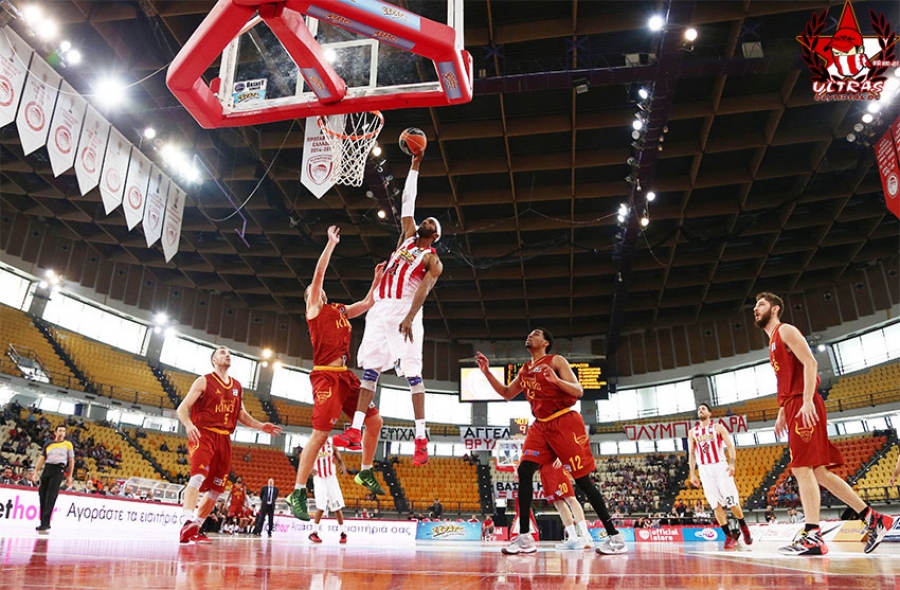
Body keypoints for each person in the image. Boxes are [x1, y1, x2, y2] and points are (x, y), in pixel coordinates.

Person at [754, 292, 894, 555]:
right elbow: (788, 379)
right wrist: (783, 410)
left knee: (801, 468)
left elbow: (811, 362)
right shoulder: (773, 340)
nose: (755, 309)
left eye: (760, 304)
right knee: (819, 472)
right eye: (754, 305)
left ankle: (813, 534)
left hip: (804, 404)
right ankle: (875, 519)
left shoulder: (786, 330)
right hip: (794, 404)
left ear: (775, 309)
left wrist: (806, 401)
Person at [475, 328, 626, 555]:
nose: (529, 335)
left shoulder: (556, 360)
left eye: (535, 334)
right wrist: (487, 373)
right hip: (540, 426)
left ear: (545, 342)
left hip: (563, 421)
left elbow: (579, 390)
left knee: (583, 481)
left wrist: (555, 380)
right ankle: (525, 537)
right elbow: (507, 393)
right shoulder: (525, 369)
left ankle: (615, 538)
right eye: (529, 333)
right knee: (525, 471)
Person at [336, 149, 444, 466]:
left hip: (403, 312)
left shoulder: (431, 259)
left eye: (429, 223)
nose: (423, 221)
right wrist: (415, 165)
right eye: (424, 219)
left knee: (412, 374)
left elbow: (424, 288)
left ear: (435, 235)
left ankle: (421, 439)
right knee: (370, 369)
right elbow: (408, 201)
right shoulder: (407, 237)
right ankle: (355, 430)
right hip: (381, 308)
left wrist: (410, 317)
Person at [285, 225, 386, 521]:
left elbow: (367, 304)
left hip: (346, 377)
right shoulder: (314, 310)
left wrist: (376, 281)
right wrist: (330, 244)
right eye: (311, 293)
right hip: (326, 376)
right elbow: (318, 276)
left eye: (315, 293)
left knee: (375, 420)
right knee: (320, 433)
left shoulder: (339, 309)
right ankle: (298, 491)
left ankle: (365, 472)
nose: (315, 292)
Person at [176, 345, 282, 544]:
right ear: (214, 360)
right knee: (198, 476)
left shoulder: (236, 386)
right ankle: (186, 518)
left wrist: (261, 426)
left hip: (225, 439)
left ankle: (195, 527)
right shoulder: (204, 381)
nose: (227, 354)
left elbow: (241, 415)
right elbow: (182, 408)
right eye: (222, 352)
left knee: (217, 489)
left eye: (229, 353)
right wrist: (188, 424)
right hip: (204, 434)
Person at [688, 402, 753, 550]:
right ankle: (728, 535)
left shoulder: (718, 428)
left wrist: (732, 464)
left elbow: (730, 446)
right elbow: (691, 454)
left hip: (720, 466)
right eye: (699, 409)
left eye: (703, 408)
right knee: (715, 505)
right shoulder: (693, 432)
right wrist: (692, 474)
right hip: (704, 470)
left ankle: (743, 526)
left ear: (710, 413)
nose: (700, 410)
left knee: (732, 502)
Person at [542, 460, 594, 550]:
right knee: (558, 502)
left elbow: (567, 445)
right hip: (544, 470)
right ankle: (573, 537)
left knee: (570, 498)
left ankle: (586, 536)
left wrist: (560, 456)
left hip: (556, 466)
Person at [308, 436, 348, 544]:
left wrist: (342, 466)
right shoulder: (314, 445)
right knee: (321, 507)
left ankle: (343, 532)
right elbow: (307, 458)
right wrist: (310, 468)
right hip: (319, 478)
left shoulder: (332, 445)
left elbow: (339, 459)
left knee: (337, 507)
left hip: (331, 478)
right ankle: (314, 532)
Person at [34, 424, 74, 533]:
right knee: (42, 494)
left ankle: (45, 523)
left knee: (51, 495)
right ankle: (42, 520)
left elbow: (71, 460)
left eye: (64, 431)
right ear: (55, 432)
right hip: (47, 468)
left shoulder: (68, 444)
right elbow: (42, 458)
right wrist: (36, 472)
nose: (62, 432)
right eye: (60, 430)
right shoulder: (48, 444)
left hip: (58, 469)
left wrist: (69, 476)